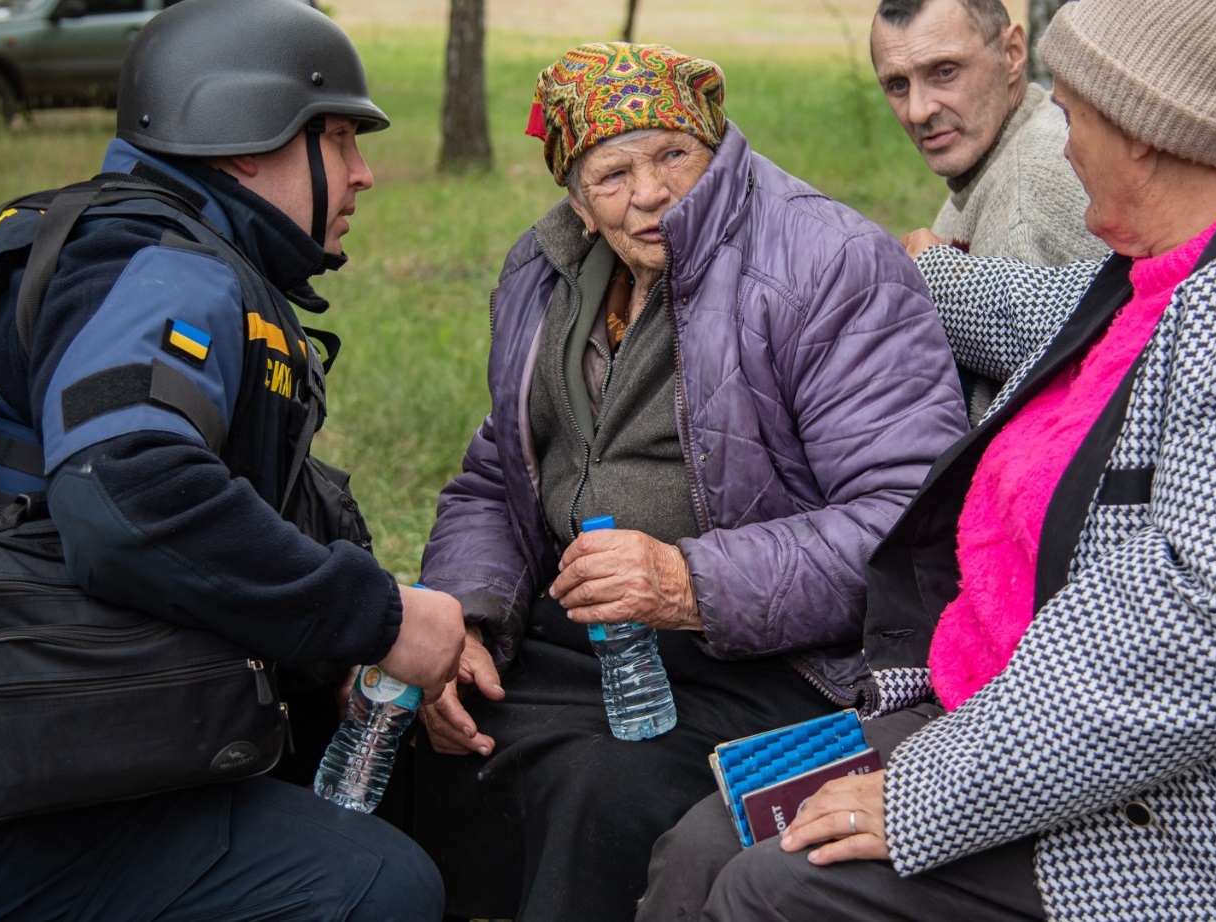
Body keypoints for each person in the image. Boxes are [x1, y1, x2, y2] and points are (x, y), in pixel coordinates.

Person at [639, 0, 1216, 919]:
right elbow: (1030, 306)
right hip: (1006, 711)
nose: (1060, 145)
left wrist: (923, 798)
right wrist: (887, 266)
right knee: (702, 844)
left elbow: (1195, 646)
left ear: (1148, 128)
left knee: (773, 890)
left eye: (1069, 112)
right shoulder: (1168, 259)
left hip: (1202, 816)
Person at [0, 0, 464, 919]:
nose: (365, 173)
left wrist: (346, 644)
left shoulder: (173, 256)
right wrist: (376, 616)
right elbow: (127, 495)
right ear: (243, 142)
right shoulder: (155, 262)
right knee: (372, 887)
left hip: (3, 740)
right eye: (341, 137)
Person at [408, 41, 967, 922]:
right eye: (612, 173)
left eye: (674, 154)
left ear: (717, 146)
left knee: (602, 785)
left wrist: (688, 582)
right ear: (576, 200)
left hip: (784, 656)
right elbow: (496, 474)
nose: (650, 193)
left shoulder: (825, 265)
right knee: (416, 732)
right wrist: (462, 617)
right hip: (595, 631)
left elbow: (907, 528)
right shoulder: (546, 274)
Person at [871, 0, 1105, 266]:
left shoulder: (1027, 204)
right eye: (898, 85)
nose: (917, 111)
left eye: (945, 72)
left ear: (1012, 53)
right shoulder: (991, 168)